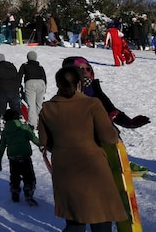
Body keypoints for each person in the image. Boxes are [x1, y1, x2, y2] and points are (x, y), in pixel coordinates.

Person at [38, 65, 128, 231]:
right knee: (100, 216)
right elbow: (108, 137)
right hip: (93, 168)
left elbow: (44, 141)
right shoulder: (92, 104)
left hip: (64, 170)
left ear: (58, 84)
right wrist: (114, 131)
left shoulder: (47, 108)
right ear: (79, 83)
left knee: (74, 219)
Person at [63, 56, 150, 129]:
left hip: (105, 138)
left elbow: (111, 110)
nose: (85, 71)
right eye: (81, 69)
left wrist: (129, 122)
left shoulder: (94, 88)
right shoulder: (66, 94)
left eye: (88, 68)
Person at [0, 109, 40, 205]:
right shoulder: (24, 128)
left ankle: (15, 191)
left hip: (13, 158)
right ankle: (28, 192)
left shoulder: (5, 132)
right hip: (25, 157)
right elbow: (33, 138)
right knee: (29, 177)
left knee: (14, 177)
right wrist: (41, 145)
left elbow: (2, 146)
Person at [0, 54, 20, 130]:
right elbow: (17, 77)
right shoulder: (12, 66)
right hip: (14, 90)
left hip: (2, 91)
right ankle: (18, 124)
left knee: (1, 109)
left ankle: (2, 126)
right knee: (16, 108)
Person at [18, 51, 47, 129]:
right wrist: (45, 89)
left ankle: (32, 124)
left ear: (28, 58)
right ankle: (40, 122)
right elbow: (44, 77)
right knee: (39, 104)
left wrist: (18, 86)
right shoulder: (40, 66)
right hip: (41, 83)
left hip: (30, 83)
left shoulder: (25, 65)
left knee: (31, 105)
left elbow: (20, 75)